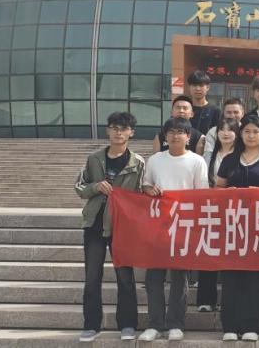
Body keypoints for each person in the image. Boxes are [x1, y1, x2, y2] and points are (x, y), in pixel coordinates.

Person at [215, 114, 259, 342]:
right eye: (246, 131)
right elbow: (217, 188)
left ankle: (252, 325)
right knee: (231, 277)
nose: (251, 135)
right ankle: (229, 325)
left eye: (256, 131)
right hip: (232, 227)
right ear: (240, 134)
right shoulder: (230, 160)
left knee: (255, 279)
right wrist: (228, 193)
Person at [76, 112, 146, 343]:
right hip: (95, 224)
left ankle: (127, 324)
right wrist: (96, 186)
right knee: (92, 276)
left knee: (125, 276)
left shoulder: (138, 162)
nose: (118, 132)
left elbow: (140, 193)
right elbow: (79, 186)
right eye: (114, 128)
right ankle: (91, 325)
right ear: (107, 130)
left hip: (122, 226)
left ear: (131, 133)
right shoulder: (94, 159)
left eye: (123, 128)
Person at [138, 118, 209, 342]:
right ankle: (155, 324)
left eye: (180, 132)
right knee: (154, 278)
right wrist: (149, 189)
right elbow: (145, 184)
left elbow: (202, 193)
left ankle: (176, 324)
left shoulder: (197, 161)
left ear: (188, 137)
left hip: (184, 226)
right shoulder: (155, 160)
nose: (175, 136)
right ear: (165, 136)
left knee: (180, 278)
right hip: (158, 226)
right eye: (171, 132)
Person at [198, 117, 241, 313]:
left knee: (232, 257)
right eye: (221, 130)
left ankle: (230, 300)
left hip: (235, 211)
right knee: (209, 253)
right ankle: (206, 299)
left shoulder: (241, 155)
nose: (225, 133)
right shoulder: (209, 156)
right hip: (211, 209)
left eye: (230, 129)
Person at [202, 97, 245, 165]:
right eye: (228, 112)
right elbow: (208, 154)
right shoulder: (213, 131)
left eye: (236, 112)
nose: (232, 115)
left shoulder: (246, 131)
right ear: (224, 113)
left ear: (242, 114)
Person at [186, 69, 221, 135]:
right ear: (189, 87)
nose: (198, 89)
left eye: (201, 85)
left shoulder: (215, 111)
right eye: (194, 85)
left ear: (207, 87)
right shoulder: (184, 109)